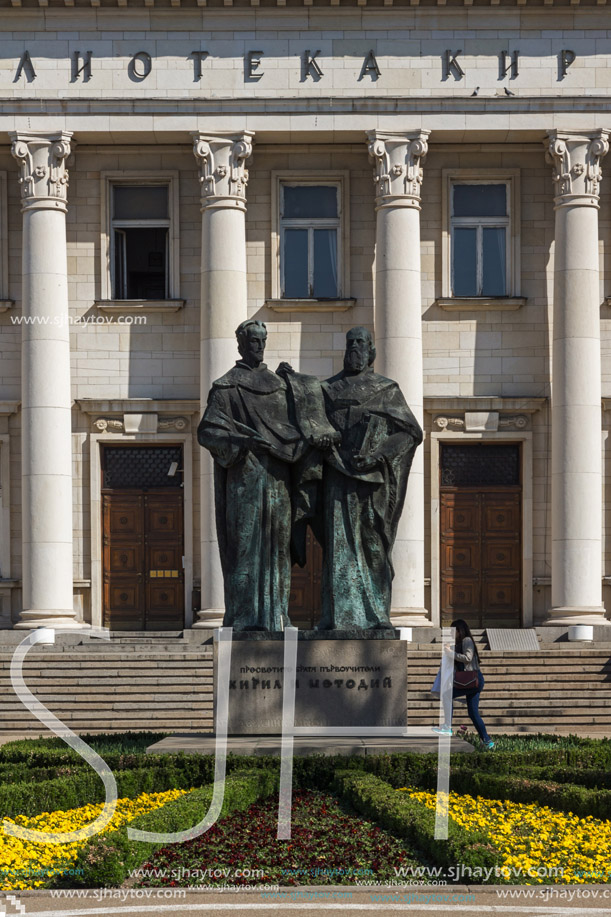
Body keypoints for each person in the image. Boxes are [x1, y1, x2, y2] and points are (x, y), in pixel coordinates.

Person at [197, 319, 334, 631]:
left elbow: (302, 420)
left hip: (278, 480)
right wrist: (239, 440)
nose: (258, 347)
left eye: (262, 341)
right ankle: (245, 618)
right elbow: (207, 430)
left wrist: (298, 384)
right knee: (245, 547)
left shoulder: (279, 385)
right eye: (252, 341)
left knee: (277, 548)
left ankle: (277, 617)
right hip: (245, 477)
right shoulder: (225, 387)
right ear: (241, 344)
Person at [316, 327, 423, 629]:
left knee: (373, 543)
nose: (355, 349)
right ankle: (337, 618)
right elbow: (312, 425)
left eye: (361, 344)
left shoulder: (386, 389)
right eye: (350, 343)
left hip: (373, 480)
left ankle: (376, 616)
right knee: (338, 547)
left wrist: (378, 454)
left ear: (372, 353)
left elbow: (411, 432)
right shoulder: (327, 390)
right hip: (337, 476)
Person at [433, 618, 495, 749]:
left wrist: (450, 653)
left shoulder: (467, 640)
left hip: (473, 680)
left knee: (446, 695)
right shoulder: (459, 643)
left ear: (460, 631)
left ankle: (448, 727)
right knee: (473, 713)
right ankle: (487, 741)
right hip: (470, 681)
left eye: (453, 631)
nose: (451, 633)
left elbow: (468, 658)